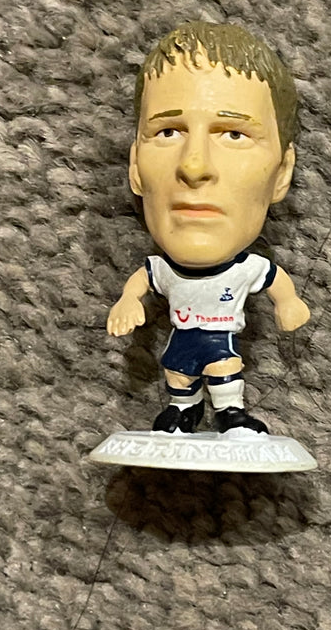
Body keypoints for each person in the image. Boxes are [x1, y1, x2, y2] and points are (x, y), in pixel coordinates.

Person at [107, 22, 310, 434]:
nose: (194, 165)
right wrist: (128, 301)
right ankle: (183, 411)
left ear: (282, 172)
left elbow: (275, 283)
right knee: (179, 373)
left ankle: (230, 412)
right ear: (135, 168)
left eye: (234, 134)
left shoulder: (247, 270)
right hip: (183, 339)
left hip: (219, 340)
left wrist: (288, 302)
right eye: (167, 132)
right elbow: (143, 282)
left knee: (223, 367)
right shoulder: (162, 272)